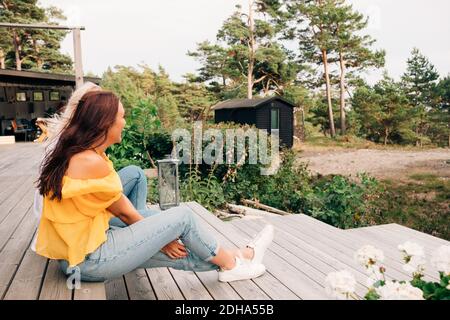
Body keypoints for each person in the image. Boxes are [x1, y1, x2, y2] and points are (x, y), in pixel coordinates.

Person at [32, 86, 274, 283]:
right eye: (121, 117)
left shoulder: (79, 153)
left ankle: (241, 257)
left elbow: (122, 210)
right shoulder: (91, 162)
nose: (124, 123)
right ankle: (233, 264)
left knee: (180, 254)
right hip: (91, 259)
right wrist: (162, 237)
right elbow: (127, 214)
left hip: (78, 254)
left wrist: (159, 238)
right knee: (183, 217)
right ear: (104, 123)